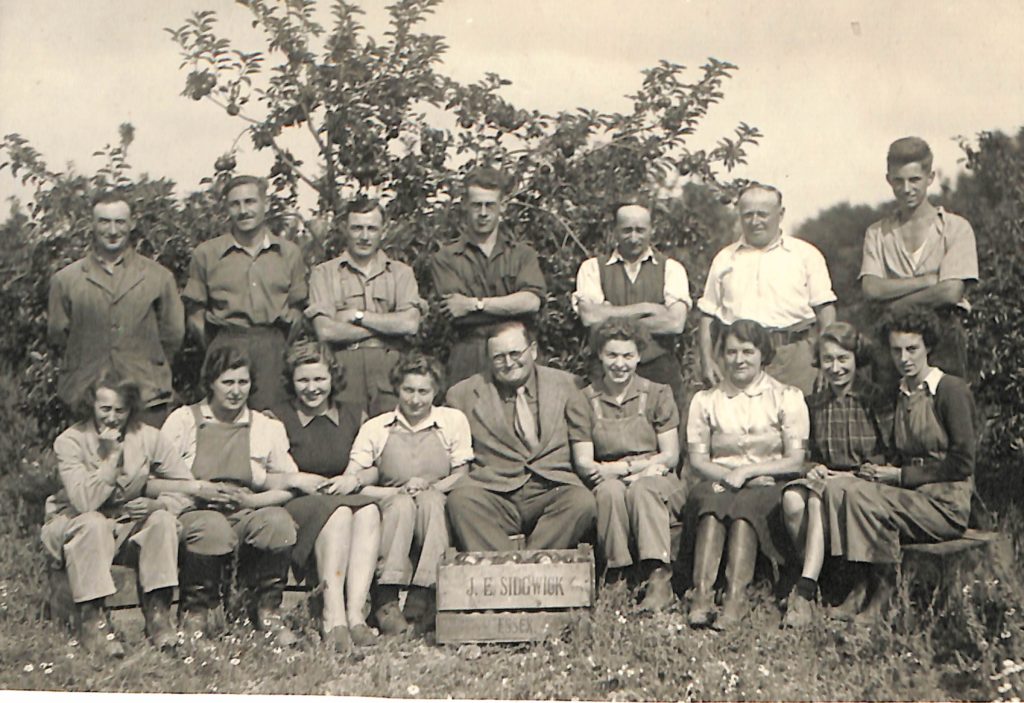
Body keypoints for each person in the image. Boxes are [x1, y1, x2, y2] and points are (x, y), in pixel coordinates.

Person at [803, 307, 976, 624]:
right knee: (848, 489)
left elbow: (962, 463)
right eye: (897, 350)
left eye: (912, 349)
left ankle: (883, 592)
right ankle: (859, 585)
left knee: (863, 497)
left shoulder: (949, 390)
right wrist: (878, 471)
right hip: (910, 495)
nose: (904, 358)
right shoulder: (901, 393)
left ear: (928, 347)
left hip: (945, 502)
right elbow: (894, 449)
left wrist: (899, 475)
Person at [161, 344, 308, 647]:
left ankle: (267, 612)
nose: (236, 391)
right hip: (195, 510)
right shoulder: (184, 421)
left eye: (243, 382)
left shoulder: (266, 426)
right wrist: (198, 490)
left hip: (244, 510)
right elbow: (156, 477)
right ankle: (195, 616)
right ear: (211, 383)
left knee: (278, 523)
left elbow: (287, 483)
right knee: (211, 529)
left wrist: (252, 501)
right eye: (227, 382)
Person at [40, 371, 194, 657]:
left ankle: (159, 615)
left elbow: (186, 488)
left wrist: (157, 505)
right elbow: (85, 502)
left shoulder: (148, 437)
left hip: (124, 527)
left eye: (120, 410)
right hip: (75, 526)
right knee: (94, 523)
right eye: (105, 409)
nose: (112, 418)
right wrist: (111, 460)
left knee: (162, 521)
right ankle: (93, 623)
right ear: (92, 406)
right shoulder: (70, 441)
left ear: (131, 410)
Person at [686, 319, 810, 629]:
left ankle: (735, 597)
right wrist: (731, 476)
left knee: (746, 506)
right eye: (730, 352)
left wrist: (750, 472)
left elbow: (795, 460)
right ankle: (702, 595)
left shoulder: (787, 396)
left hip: (769, 481)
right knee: (711, 503)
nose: (739, 360)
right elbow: (698, 460)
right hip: (718, 479)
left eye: (747, 351)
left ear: (762, 353)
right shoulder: (705, 400)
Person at [343, 352, 473, 636]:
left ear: (435, 390)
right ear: (397, 389)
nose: (415, 400)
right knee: (401, 504)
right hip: (391, 502)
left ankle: (423, 595)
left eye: (423, 391)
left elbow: (462, 473)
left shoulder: (452, 421)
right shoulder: (377, 427)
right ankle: (385, 600)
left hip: (436, 498)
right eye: (408, 390)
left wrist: (430, 486)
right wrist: (394, 491)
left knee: (430, 502)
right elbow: (354, 479)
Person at [445, 321, 596, 552]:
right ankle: (504, 570)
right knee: (461, 501)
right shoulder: (463, 395)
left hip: (551, 489)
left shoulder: (569, 385)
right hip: (495, 492)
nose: (508, 363)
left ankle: (533, 567)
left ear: (533, 351)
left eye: (515, 353)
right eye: (498, 357)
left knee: (581, 502)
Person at [269, 341, 381, 652]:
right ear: (291, 381)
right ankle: (333, 617)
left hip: (341, 494)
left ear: (333, 377)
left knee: (369, 510)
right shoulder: (276, 417)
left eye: (319, 379)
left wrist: (354, 479)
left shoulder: (353, 414)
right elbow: (263, 474)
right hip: (298, 502)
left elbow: (375, 469)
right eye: (303, 380)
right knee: (341, 513)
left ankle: (356, 614)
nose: (312, 388)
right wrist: (295, 479)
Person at [568, 318, 686, 611]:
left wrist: (631, 469)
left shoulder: (658, 394)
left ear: (639, 356)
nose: (620, 364)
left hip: (657, 478)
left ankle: (658, 578)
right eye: (612, 355)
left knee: (643, 490)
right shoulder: (583, 400)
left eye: (628, 356)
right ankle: (617, 578)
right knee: (609, 492)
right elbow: (585, 462)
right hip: (612, 478)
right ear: (600, 355)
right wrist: (621, 471)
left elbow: (669, 454)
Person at [779, 322, 889, 627]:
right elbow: (805, 452)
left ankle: (805, 591)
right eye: (828, 360)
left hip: (864, 478)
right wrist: (810, 466)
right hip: (826, 476)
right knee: (792, 499)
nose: (836, 367)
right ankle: (825, 578)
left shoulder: (874, 399)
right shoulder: (814, 403)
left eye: (843, 359)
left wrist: (860, 473)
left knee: (816, 499)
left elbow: (889, 451)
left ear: (856, 358)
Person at [48, 190, 185, 427]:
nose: (112, 231)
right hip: (86, 395)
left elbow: (173, 334)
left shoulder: (158, 277)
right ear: (91, 225)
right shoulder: (66, 280)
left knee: (144, 462)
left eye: (120, 222)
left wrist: (145, 363)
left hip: (146, 395)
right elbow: (59, 334)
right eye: (104, 222)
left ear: (131, 224)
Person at [860, 137, 979, 388]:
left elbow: (950, 292)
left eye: (914, 180)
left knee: (946, 411)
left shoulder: (955, 228)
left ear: (930, 177)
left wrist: (892, 305)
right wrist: (926, 281)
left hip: (943, 335)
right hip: (892, 337)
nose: (906, 189)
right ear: (889, 180)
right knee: (890, 416)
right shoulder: (877, 233)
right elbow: (871, 288)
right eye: (898, 181)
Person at [697, 183, 837, 395]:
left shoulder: (805, 255)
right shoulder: (725, 258)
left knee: (798, 424)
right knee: (739, 425)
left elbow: (825, 311)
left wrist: (827, 360)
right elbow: (707, 316)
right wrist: (707, 361)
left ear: (780, 214)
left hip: (794, 358)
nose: (755, 222)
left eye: (762, 214)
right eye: (747, 215)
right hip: (739, 360)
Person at [183, 175, 307, 410]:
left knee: (272, 419)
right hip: (226, 341)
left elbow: (298, 309)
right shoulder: (206, 254)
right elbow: (195, 313)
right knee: (223, 421)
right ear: (227, 209)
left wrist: (279, 344)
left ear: (266, 205)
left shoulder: (289, 253)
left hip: (272, 346)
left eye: (250, 202)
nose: (243, 210)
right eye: (235, 204)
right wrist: (216, 347)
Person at [572, 196, 691, 418]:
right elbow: (589, 317)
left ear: (651, 231)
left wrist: (609, 315)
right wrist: (648, 307)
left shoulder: (671, 269)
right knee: (607, 433)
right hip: (608, 368)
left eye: (640, 230)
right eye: (627, 230)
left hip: (658, 367)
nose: (634, 237)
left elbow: (675, 323)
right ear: (615, 231)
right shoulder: (592, 268)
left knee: (669, 431)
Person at [428, 167, 547, 386]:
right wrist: (510, 306)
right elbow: (455, 311)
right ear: (465, 205)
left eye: (490, 205)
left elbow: (531, 302)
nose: (483, 213)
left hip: (516, 353)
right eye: (476, 205)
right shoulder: (446, 258)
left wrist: (475, 304)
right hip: (469, 356)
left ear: (502, 207)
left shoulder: (522, 254)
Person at [306, 198, 424, 414]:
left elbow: (409, 325)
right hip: (343, 368)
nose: (364, 236)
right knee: (346, 438)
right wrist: (386, 327)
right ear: (344, 229)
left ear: (383, 230)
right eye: (357, 228)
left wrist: (356, 315)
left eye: (371, 228)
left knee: (391, 436)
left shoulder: (401, 273)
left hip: (390, 368)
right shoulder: (324, 273)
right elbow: (325, 330)